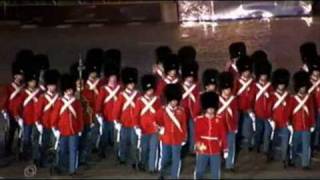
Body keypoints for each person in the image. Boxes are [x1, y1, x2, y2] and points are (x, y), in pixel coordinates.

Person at [51, 73, 84, 176]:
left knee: (74, 151)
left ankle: (72, 170)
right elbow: (54, 117)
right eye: (68, 90)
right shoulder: (60, 102)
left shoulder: (76, 102)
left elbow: (80, 117)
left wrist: (80, 129)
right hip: (62, 131)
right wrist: (55, 129)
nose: (70, 92)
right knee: (62, 151)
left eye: (71, 90)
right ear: (64, 90)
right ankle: (60, 167)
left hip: (74, 131)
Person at [194, 92, 228, 179]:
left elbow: (223, 134)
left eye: (212, 108)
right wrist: (199, 145)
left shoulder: (219, 119)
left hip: (215, 148)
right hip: (203, 147)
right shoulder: (199, 120)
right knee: (199, 171)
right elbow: (197, 134)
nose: (211, 110)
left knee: (215, 172)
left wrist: (225, 148)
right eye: (209, 108)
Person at [157, 83, 187, 179]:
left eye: (176, 100)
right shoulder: (162, 110)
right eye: (172, 100)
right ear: (169, 100)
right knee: (164, 158)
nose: (174, 102)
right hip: (166, 138)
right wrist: (160, 129)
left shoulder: (181, 111)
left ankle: (175, 176)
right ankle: (162, 173)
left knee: (176, 158)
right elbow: (156, 121)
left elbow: (184, 125)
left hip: (177, 139)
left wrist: (184, 138)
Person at [112, 67, 140, 168]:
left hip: (133, 123)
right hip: (123, 123)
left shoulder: (137, 95)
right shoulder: (122, 95)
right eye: (130, 83)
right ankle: (122, 158)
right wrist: (116, 120)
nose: (132, 85)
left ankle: (134, 160)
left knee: (134, 143)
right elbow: (117, 109)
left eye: (133, 83)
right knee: (123, 142)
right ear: (126, 84)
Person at [134, 74, 161, 172]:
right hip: (143, 128)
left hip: (154, 128)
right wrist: (136, 126)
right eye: (148, 90)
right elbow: (136, 115)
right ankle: (142, 163)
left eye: (151, 89)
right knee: (144, 149)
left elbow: (159, 113)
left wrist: (160, 125)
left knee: (154, 148)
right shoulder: (139, 100)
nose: (150, 91)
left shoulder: (157, 100)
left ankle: (151, 168)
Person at [34, 69, 60, 167]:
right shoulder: (42, 98)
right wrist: (38, 123)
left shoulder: (58, 97)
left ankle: (52, 161)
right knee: (44, 144)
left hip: (55, 125)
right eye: (50, 85)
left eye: (53, 85)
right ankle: (40, 160)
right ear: (47, 86)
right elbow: (38, 112)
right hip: (44, 124)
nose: (52, 87)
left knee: (54, 144)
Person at [95, 62, 122, 158]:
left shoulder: (120, 89)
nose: (113, 79)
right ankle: (101, 151)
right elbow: (99, 102)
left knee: (117, 137)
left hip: (117, 117)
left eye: (115, 78)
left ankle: (119, 154)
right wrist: (98, 113)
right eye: (112, 78)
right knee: (105, 136)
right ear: (109, 78)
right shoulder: (104, 89)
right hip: (106, 116)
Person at [290, 70, 315, 169]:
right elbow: (289, 111)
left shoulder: (309, 98)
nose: (303, 89)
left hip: (307, 126)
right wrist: (289, 122)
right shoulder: (293, 98)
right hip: (296, 125)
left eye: (304, 87)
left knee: (306, 145)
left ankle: (305, 164)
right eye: (301, 87)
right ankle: (292, 159)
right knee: (295, 144)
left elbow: (312, 111)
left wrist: (313, 123)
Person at [15, 68, 41, 162]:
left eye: (34, 81)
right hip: (27, 119)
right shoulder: (23, 93)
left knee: (36, 138)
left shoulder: (39, 93)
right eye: (31, 81)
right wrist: (17, 116)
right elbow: (17, 105)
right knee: (26, 138)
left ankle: (35, 157)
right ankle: (25, 154)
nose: (33, 83)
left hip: (37, 119)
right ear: (28, 82)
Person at [2, 60, 26, 156]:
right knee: (11, 131)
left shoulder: (23, 88)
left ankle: (20, 149)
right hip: (11, 112)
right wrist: (4, 110)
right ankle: (8, 149)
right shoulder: (9, 87)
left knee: (21, 131)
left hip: (21, 112)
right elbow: (5, 98)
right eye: (20, 75)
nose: (22, 76)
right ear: (15, 76)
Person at [268, 68, 291, 168]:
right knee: (274, 141)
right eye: (279, 84)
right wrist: (270, 119)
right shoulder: (272, 96)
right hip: (275, 122)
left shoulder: (288, 96)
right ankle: (271, 154)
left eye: (282, 84)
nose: (281, 86)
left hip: (285, 122)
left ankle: (284, 159)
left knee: (285, 142)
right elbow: (269, 109)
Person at [217, 71, 239, 171]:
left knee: (231, 146)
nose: (228, 91)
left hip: (230, 126)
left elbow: (235, 113)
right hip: (219, 127)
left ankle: (229, 164)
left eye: (229, 88)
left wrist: (236, 126)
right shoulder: (217, 99)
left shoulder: (233, 99)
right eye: (226, 89)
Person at [252, 59, 273, 156]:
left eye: (265, 75)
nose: (264, 77)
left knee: (267, 132)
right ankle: (256, 146)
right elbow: (252, 99)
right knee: (259, 131)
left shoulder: (270, 86)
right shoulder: (255, 86)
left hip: (268, 114)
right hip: (258, 113)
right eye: (262, 75)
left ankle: (265, 149)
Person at [234, 55, 255, 150]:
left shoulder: (252, 81)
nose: (246, 73)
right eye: (244, 71)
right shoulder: (237, 82)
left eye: (248, 71)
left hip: (249, 108)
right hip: (239, 108)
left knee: (248, 126)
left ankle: (248, 142)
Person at [180, 60, 201, 154]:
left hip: (193, 111)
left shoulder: (196, 86)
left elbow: (198, 97)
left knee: (193, 130)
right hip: (183, 111)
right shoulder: (180, 86)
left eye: (192, 76)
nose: (190, 78)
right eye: (188, 76)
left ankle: (192, 148)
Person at [307, 59, 320, 150]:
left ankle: (316, 144)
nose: (316, 76)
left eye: (318, 75)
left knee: (318, 128)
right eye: (314, 74)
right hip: (311, 109)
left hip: (319, 109)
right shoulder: (307, 83)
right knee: (311, 127)